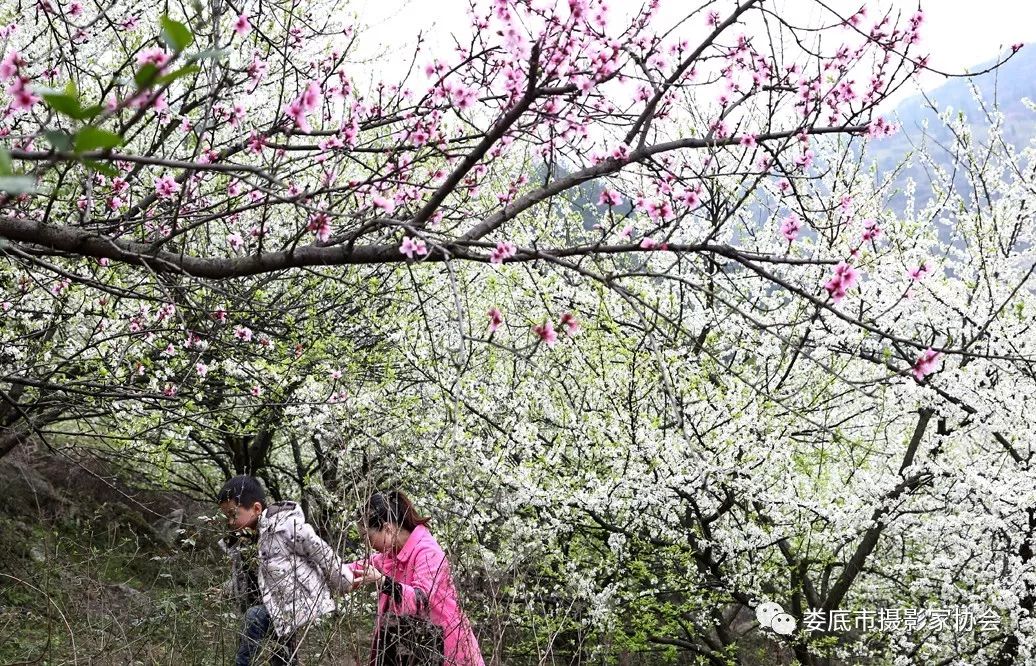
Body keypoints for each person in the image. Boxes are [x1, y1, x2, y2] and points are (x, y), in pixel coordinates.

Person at [217, 475, 355, 665]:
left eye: (233, 515)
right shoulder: (243, 542)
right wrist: (226, 589)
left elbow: (321, 552)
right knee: (281, 657)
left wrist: (344, 581)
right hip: (274, 608)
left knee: (254, 619)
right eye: (227, 517)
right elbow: (247, 578)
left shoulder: (285, 527)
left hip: (296, 605)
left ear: (256, 509)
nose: (230, 522)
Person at [351, 490, 484, 666]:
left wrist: (383, 582)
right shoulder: (392, 554)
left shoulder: (428, 552)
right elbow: (357, 568)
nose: (366, 544)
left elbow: (420, 600)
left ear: (388, 529)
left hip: (446, 652)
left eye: (367, 537)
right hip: (412, 649)